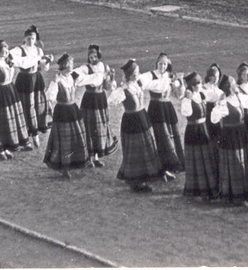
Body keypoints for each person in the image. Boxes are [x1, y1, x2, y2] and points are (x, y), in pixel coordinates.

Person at [109, 59, 166, 192]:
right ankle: (136, 181)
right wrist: (117, 89)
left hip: (143, 117)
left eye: (138, 71)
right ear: (129, 74)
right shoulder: (124, 89)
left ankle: (148, 174)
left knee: (147, 146)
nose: (138, 74)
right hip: (132, 120)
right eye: (135, 72)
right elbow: (111, 101)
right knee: (135, 150)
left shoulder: (138, 84)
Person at [43, 53, 92, 178]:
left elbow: (87, 79)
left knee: (78, 135)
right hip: (62, 111)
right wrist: (50, 104)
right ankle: (64, 168)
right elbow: (51, 96)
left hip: (73, 109)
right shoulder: (57, 79)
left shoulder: (72, 77)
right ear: (64, 65)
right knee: (65, 140)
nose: (72, 66)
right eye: (70, 64)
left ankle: (81, 160)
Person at [211, 74, 248, 205]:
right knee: (235, 165)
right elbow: (214, 119)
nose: (235, 84)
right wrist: (219, 104)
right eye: (233, 83)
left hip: (241, 134)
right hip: (230, 136)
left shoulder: (238, 97)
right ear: (228, 87)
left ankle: (246, 192)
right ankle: (237, 196)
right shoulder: (224, 102)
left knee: (244, 163)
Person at [139, 53, 185, 178]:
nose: (162, 66)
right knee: (161, 136)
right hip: (156, 109)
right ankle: (162, 167)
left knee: (171, 135)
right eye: (160, 63)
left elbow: (178, 95)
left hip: (168, 109)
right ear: (156, 64)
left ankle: (172, 163)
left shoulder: (170, 76)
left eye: (165, 64)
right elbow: (143, 82)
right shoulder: (151, 75)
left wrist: (180, 84)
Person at [10, 25, 51, 149]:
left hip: (36, 78)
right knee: (27, 106)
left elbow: (43, 67)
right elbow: (11, 58)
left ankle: (37, 129)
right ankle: (30, 134)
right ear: (24, 38)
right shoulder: (19, 49)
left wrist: (47, 62)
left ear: (36, 39)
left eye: (33, 38)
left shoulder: (38, 50)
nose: (30, 41)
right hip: (25, 79)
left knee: (39, 104)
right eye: (28, 38)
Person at [77, 44, 118, 163]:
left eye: (95, 56)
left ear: (99, 56)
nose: (93, 59)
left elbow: (107, 86)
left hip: (101, 100)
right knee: (90, 127)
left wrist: (112, 76)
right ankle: (89, 157)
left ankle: (95, 157)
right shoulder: (85, 68)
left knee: (100, 127)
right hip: (90, 100)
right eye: (90, 57)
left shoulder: (104, 67)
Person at [180, 71, 218, 200]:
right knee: (197, 161)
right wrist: (188, 98)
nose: (199, 85)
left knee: (206, 159)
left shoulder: (201, 94)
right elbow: (186, 112)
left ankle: (208, 188)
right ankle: (198, 190)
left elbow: (214, 95)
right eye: (196, 83)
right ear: (190, 85)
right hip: (193, 130)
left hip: (203, 129)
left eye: (200, 82)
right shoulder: (187, 98)